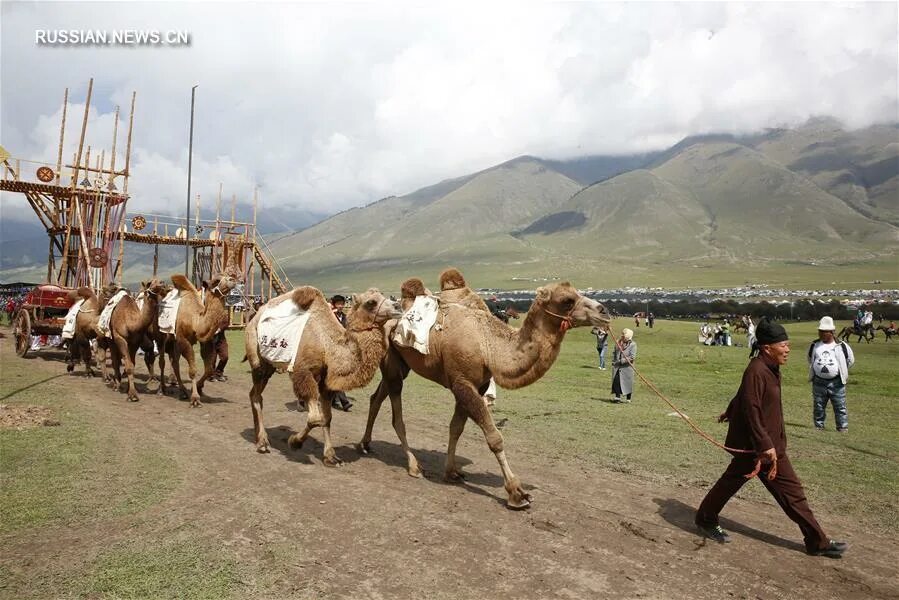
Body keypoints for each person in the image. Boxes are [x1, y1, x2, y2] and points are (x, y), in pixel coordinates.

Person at [695, 318, 847, 558]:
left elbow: (744, 396)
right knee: (782, 492)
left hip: (770, 446)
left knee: (790, 493)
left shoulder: (769, 368)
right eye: (783, 345)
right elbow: (752, 407)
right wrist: (765, 445)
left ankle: (817, 541)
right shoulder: (756, 370)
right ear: (767, 347)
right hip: (760, 449)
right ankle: (817, 541)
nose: (788, 350)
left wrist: (730, 410)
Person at [807, 316, 854, 432]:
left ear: (832, 332)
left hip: (837, 382)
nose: (821, 333)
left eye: (824, 331)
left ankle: (842, 427)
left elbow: (850, 360)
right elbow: (809, 358)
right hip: (818, 382)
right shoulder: (814, 345)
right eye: (820, 331)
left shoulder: (841, 345)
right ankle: (819, 426)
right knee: (818, 406)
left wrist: (840, 370)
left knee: (840, 406)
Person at [329, 295, 353, 411]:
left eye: (342, 304)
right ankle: (345, 402)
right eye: (338, 304)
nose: (341, 306)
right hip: (329, 350)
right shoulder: (329, 316)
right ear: (334, 304)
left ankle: (332, 400)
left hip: (341, 350)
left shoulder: (344, 317)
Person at [610, 328, 636, 403]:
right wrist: (614, 360)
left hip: (627, 367)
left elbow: (632, 357)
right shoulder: (618, 342)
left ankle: (628, 398)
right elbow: (615, 352)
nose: (622, 337)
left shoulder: (633, 344)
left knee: (627, 382)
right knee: (617, 381)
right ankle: (617, 397)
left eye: (624, 336)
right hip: (617, 366)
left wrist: (621, 361)